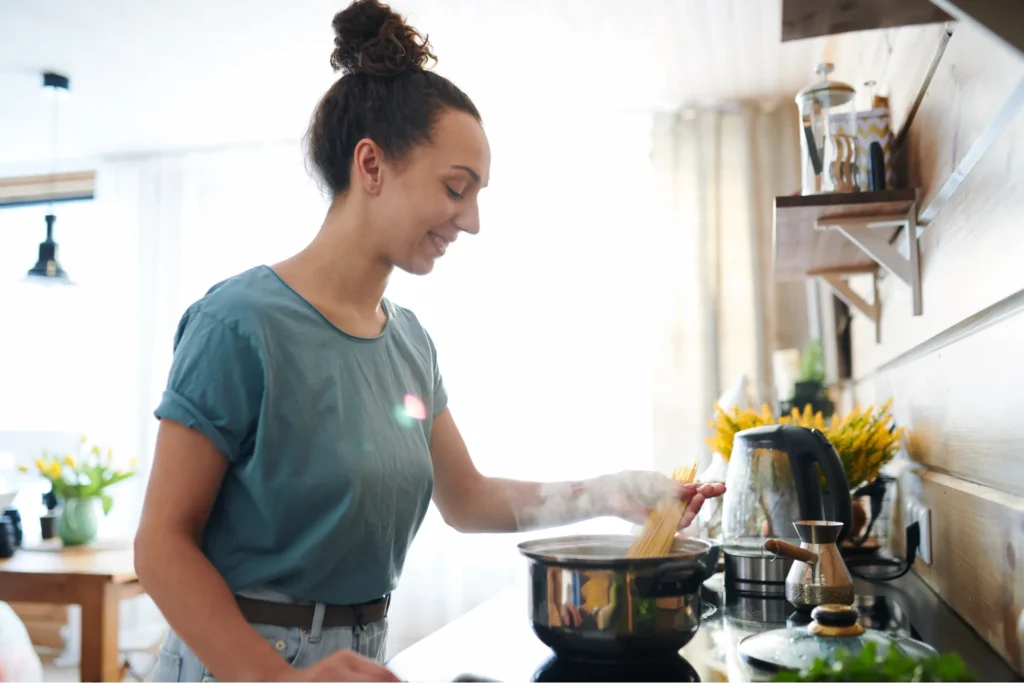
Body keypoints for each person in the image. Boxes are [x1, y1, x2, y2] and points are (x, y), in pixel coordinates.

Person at [135, 1, 726, 682]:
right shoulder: (237, 323)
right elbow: (160, 545)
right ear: (371, 165)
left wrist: (612, 491)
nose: (471, 221)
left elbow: (467, 498)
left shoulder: (409, 341)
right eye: (456, 188)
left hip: (358, 656)